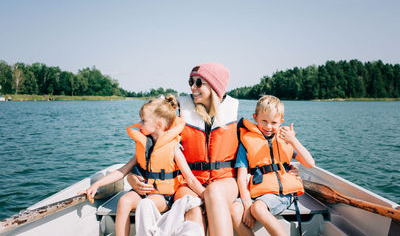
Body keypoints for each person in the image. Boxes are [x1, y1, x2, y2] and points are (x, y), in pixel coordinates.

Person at [130, 62, 240, 235]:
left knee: (214, 191)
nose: (193, 87)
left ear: (215, 86)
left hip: (225, 180)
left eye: (198, 82)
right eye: (190, 82)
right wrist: (131, 177)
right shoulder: (181, 113)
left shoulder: (233, 114)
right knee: (192, 206)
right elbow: (152, 149)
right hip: (188, 181)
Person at [85, 95, 205, 236]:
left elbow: (190, 178)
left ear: (158, 125)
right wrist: (97, 185)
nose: (139, 124)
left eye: (143, 120)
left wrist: (205, 196)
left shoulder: (174, 148)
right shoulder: (145, 146)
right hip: (143, 192)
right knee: (124, 201)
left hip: (163, 197)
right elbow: (123, 171)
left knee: (145, 204)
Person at [231, 95, 315, 236]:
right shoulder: (246, 142)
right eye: (264, 121)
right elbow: (241, 178)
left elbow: (310, 163)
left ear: (281, 121)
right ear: (255, 117)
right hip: (257, 193)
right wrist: (246, 205)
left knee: (257, 208)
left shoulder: (285, 140)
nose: (268, 127)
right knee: (234, 209)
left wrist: (293, 140)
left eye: (274, 122)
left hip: (281, 194)